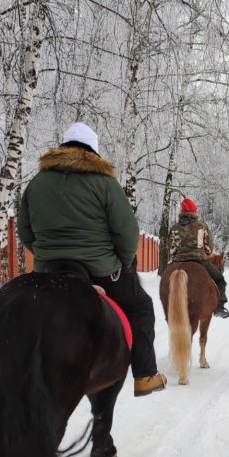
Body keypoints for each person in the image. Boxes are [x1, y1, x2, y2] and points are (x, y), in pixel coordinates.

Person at [17, 122, 167, 397]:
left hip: (48, 271)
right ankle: (145, 375)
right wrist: (119, 263)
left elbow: (24, 231)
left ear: (62, 148)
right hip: (100, 270)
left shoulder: (36, 183)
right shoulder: (104, 183)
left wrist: (44, 255)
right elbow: (128, 231)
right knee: (141, 306)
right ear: (93, 151)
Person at [168, 197, 229, 318]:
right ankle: (219, 307)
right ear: (194, 211)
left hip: (177, 262)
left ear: (183, 212)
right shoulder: (201, 226)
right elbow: (209, 248)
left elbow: (171, 248)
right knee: (220, 280)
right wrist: (205, 252)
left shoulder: (174, 228)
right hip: (199, 260)